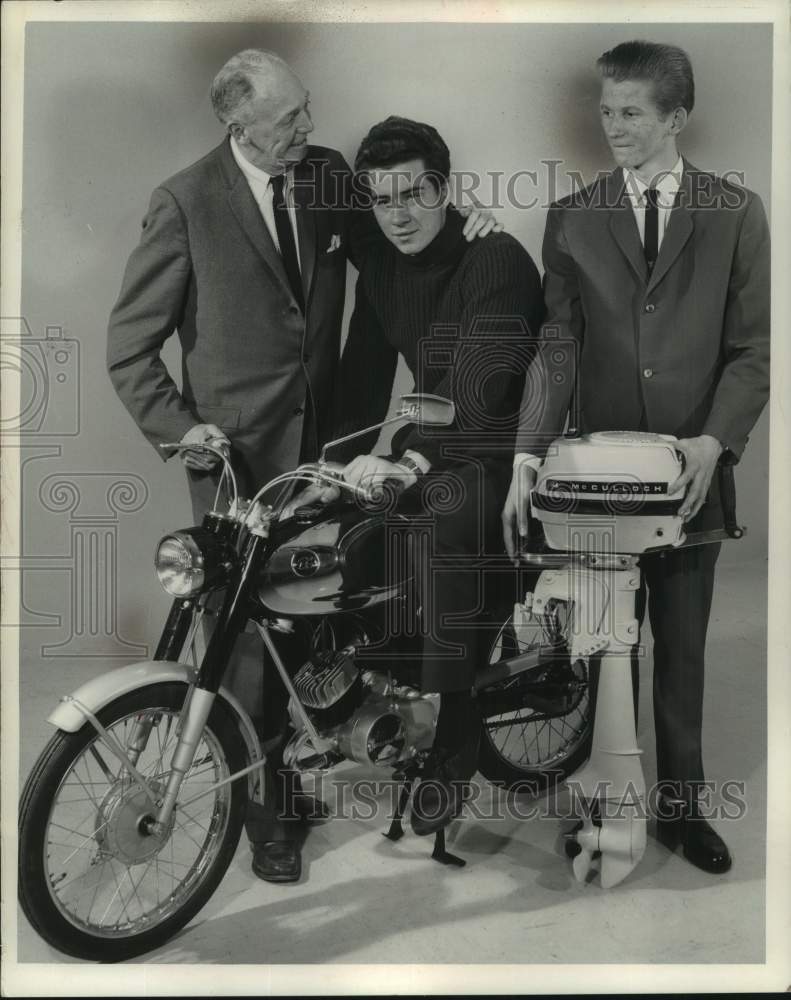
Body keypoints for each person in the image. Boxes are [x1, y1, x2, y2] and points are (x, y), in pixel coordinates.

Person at [106, 50, 496, 883]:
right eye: (289, 120)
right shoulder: (182, 203)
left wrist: (473, 236)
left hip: (334, 450)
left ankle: (345, 744)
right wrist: (186, 432)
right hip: (240, 464)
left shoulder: (322, 175)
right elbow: (130, 352)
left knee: (320, 611)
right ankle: (268, 814)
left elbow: (401, 244)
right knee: (244, 639)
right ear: (236, 125)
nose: (309, 129)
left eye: (306, 110)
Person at [502, 41, 770, 873]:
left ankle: (681, 812)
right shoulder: (575, 215)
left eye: (629, 113)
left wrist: (711, 441)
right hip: (595, 488)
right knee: (595, 646)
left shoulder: (735, 211)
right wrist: (525, 456)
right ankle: (594, 806)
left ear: (674, 118)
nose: (611, 126)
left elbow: (753, 351)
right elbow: (556, 344)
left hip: (689, 481)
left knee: (680, 654)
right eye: (605, 110)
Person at [291, 116, 544, 835]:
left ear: (444, 187)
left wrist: (408, 460)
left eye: (413, 194)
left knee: (441, 519)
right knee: (332, 533)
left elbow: (479, 389)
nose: (397, 214)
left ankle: (453, 741)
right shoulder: (383, 266)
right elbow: (363, 380)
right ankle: (354, 697)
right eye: (380, 198)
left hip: (501, 448)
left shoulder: (495, 260)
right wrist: (329, 473)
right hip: (430, 442)